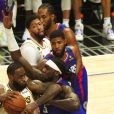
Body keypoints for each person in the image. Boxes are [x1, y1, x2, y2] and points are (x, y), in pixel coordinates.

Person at [2, 10, 85, 114]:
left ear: (56, 72)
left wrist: (49, 102)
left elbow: (75, 104)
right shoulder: (41, 83)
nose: (43, 69)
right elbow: (20, 60)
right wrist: (9, 31)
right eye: (34, 26)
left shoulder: (64, 86)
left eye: (47, 68)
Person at [44, 29, 88, 112]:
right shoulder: (47, 61)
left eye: (59, 42)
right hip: (59, 100)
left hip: (74, 90)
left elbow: (79, 59)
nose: (56, 46)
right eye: (53, 43)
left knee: (82, 108)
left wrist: (75, 74)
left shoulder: (72, 50)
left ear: (65, 41)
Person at [38, 3, 82, 76]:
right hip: (57, 74)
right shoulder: (41, 34)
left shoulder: (66, 32)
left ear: (52, 17)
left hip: (74, 71)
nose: (41, 21)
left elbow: (78, 58)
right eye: (39, 18)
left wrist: (74, 76)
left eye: (44, 17)